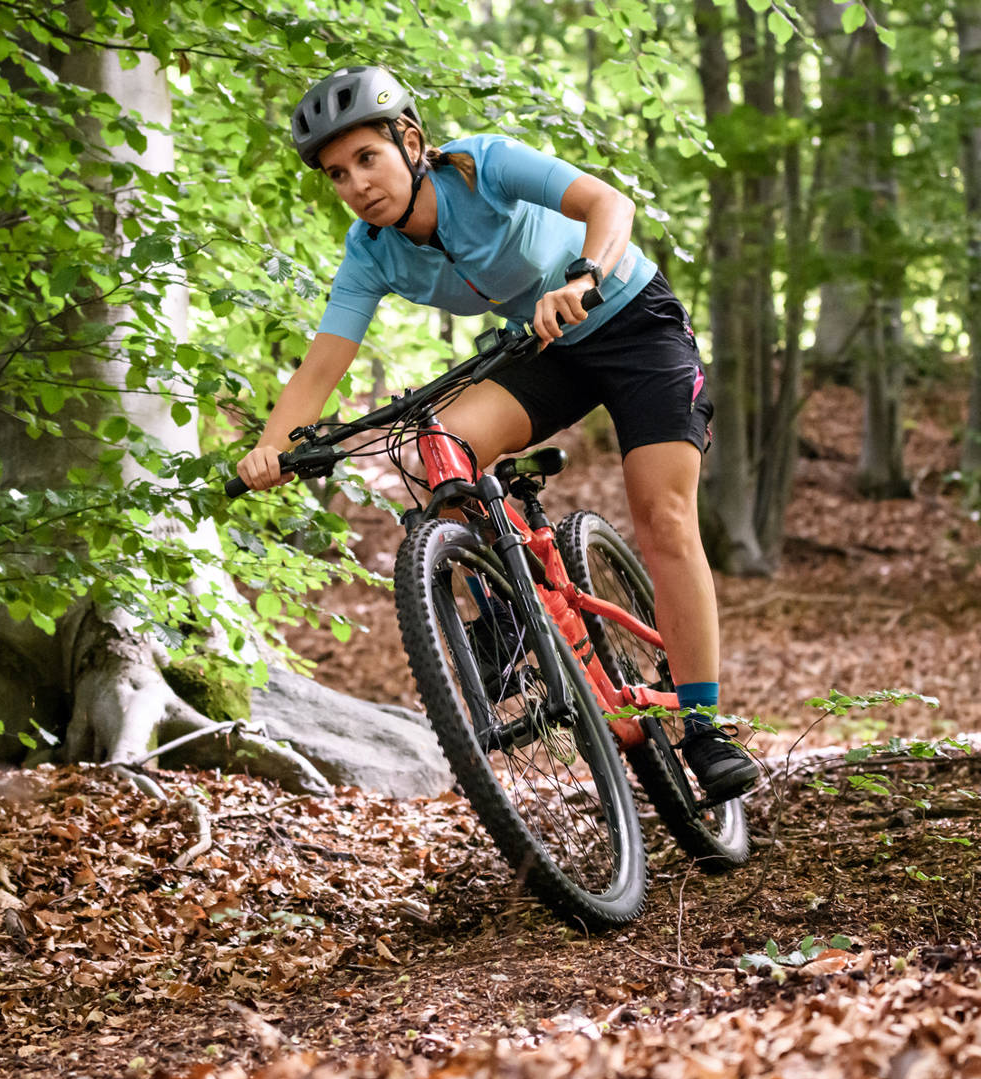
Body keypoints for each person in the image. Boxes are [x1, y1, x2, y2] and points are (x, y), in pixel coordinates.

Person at [234, 65, 758, 801]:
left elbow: (609, 201)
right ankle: (509, 615)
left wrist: (582, 277)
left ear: (410, 141)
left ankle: (705, 726)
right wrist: (271, 449)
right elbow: (323, 365)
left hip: (634, 323)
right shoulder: (371, 251)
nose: (355, 183)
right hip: (546, 350)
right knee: (437, 441)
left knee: (663, 514)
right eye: (336, 173)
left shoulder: (484, 166)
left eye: (367, 158)